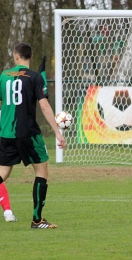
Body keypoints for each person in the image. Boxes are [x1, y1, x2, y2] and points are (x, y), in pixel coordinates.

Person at [0, 42, 66, 228]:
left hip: (6, 133)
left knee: (3, 173)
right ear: (31, 56)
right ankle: (37, 220)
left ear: (16, 56)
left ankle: (38, 220)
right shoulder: (35, 77)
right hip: (28, 133)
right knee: (41, 172)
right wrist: (57, 133)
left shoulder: (4, 76)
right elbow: (44, 105)